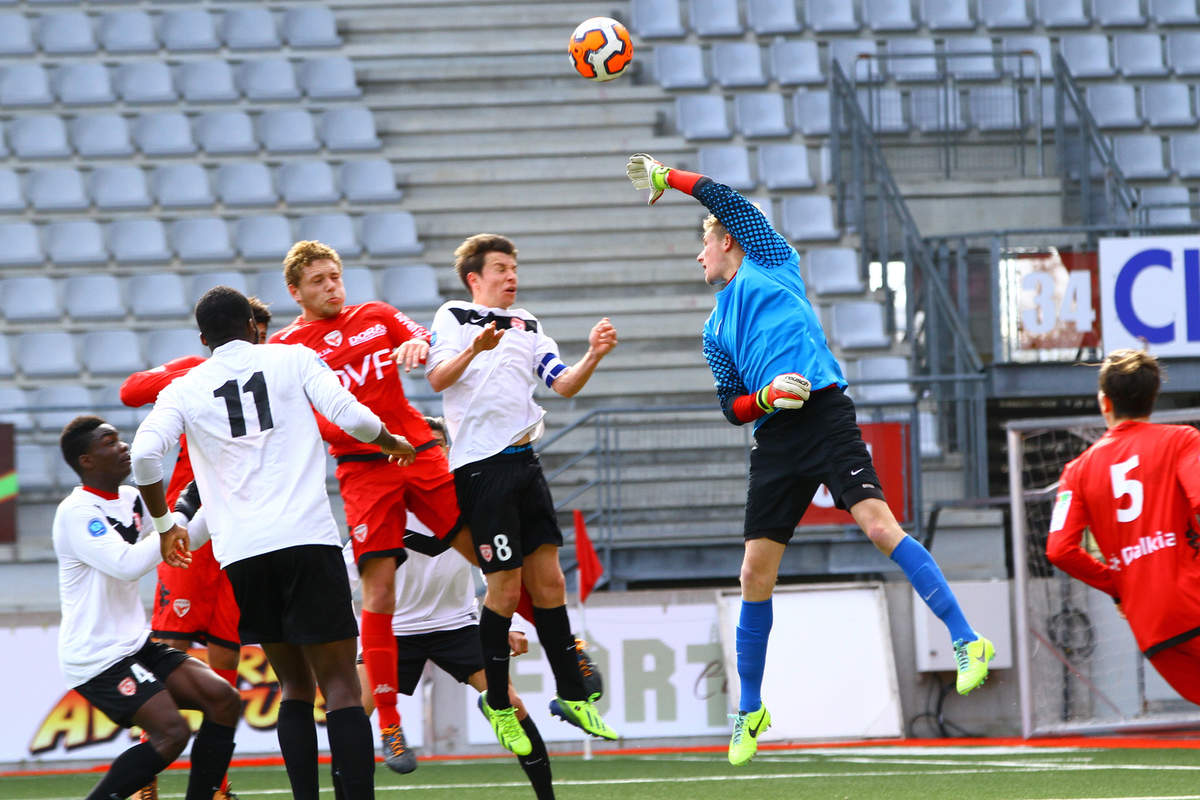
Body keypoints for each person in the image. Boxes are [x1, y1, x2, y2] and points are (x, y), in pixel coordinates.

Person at [625, 154, 994, 765]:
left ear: (728, 241)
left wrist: (669, 177)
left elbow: (723, 197)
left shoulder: (770, 259)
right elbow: (731, 407)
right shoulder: (714, 330)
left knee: (880, 528)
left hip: (824, 415)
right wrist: (765, 397)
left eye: (704, 244)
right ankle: (750, 709)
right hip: (775, 437)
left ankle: (966, 639)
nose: (699, 257)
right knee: (754, 573)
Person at [131, 286, 417, 800]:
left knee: (294, 687)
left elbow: (145, 456)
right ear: (252, 325)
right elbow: (352, 417)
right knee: (341, 686)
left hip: (244, 555)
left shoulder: (184, 388)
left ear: (203, 339)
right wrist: (389, 441)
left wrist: (165, 524)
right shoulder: (293, 357)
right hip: (307, 539)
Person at [269, 240, 466, 771]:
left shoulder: (376, 316)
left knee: (489, 552)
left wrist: (419, 346)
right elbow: (306, 419)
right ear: (295, 291)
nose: (332, 287)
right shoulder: (287, 349)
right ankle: (391, 726)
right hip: (362, 470)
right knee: (379, 592)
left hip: (419, 451)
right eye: (318, 281)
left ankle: (565, 646)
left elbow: (423, 337)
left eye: (335, 277)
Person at [425, 233, 619, 756]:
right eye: (501, 268)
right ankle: (499, 703)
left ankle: (572, 693)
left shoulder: (528, 322)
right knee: (505, 590)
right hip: (481, 469)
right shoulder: (454, 315)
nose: (511, 276)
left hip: (525, 462)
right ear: (475, 277)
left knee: (551, 582)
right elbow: (438, 379)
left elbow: (563, 383)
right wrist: (475, 349)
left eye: (514, 267)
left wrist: (593, 355)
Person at [337, 417, 560, 800]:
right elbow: (341, 579)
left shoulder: (469, 505)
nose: (430, 453)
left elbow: (502, 568)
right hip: (394, 634)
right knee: (353, 716)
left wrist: (513, 622)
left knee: (512, 705)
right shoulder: (380, 509)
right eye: (421, 446)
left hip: (457, 625)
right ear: (400, 454)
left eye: (437, 445)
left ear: (448, 453)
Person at [121, 296, 271, 800]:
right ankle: (144, 780)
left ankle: (216, 784)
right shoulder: (195, 377)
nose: (253, 342)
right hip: (188, 533)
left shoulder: (275, 379)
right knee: (169, 651)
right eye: (249, 332)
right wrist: (187, 372)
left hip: (240, 535)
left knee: (226, 660)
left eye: (259, 335)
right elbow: (130, 390)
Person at [54, 415, 241, 800]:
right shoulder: (77, 512)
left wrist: (215, 496)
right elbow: (127, 563)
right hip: (97, 656)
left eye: (119, 439)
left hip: (135, 645)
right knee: (172, 733)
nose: (123, 446)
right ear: (87, 460)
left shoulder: (130, 499)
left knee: (224, 700)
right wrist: (180, 515)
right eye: (109, 442)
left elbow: (182, 540)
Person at [1046, 349, 1200, 705]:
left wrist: (1119, 586)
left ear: (1105, 402)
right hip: (1193, 600)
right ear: (1153, 398)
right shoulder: (1182, 440)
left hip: (1152, 626)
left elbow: (1059, 550)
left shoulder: (1076, 471)